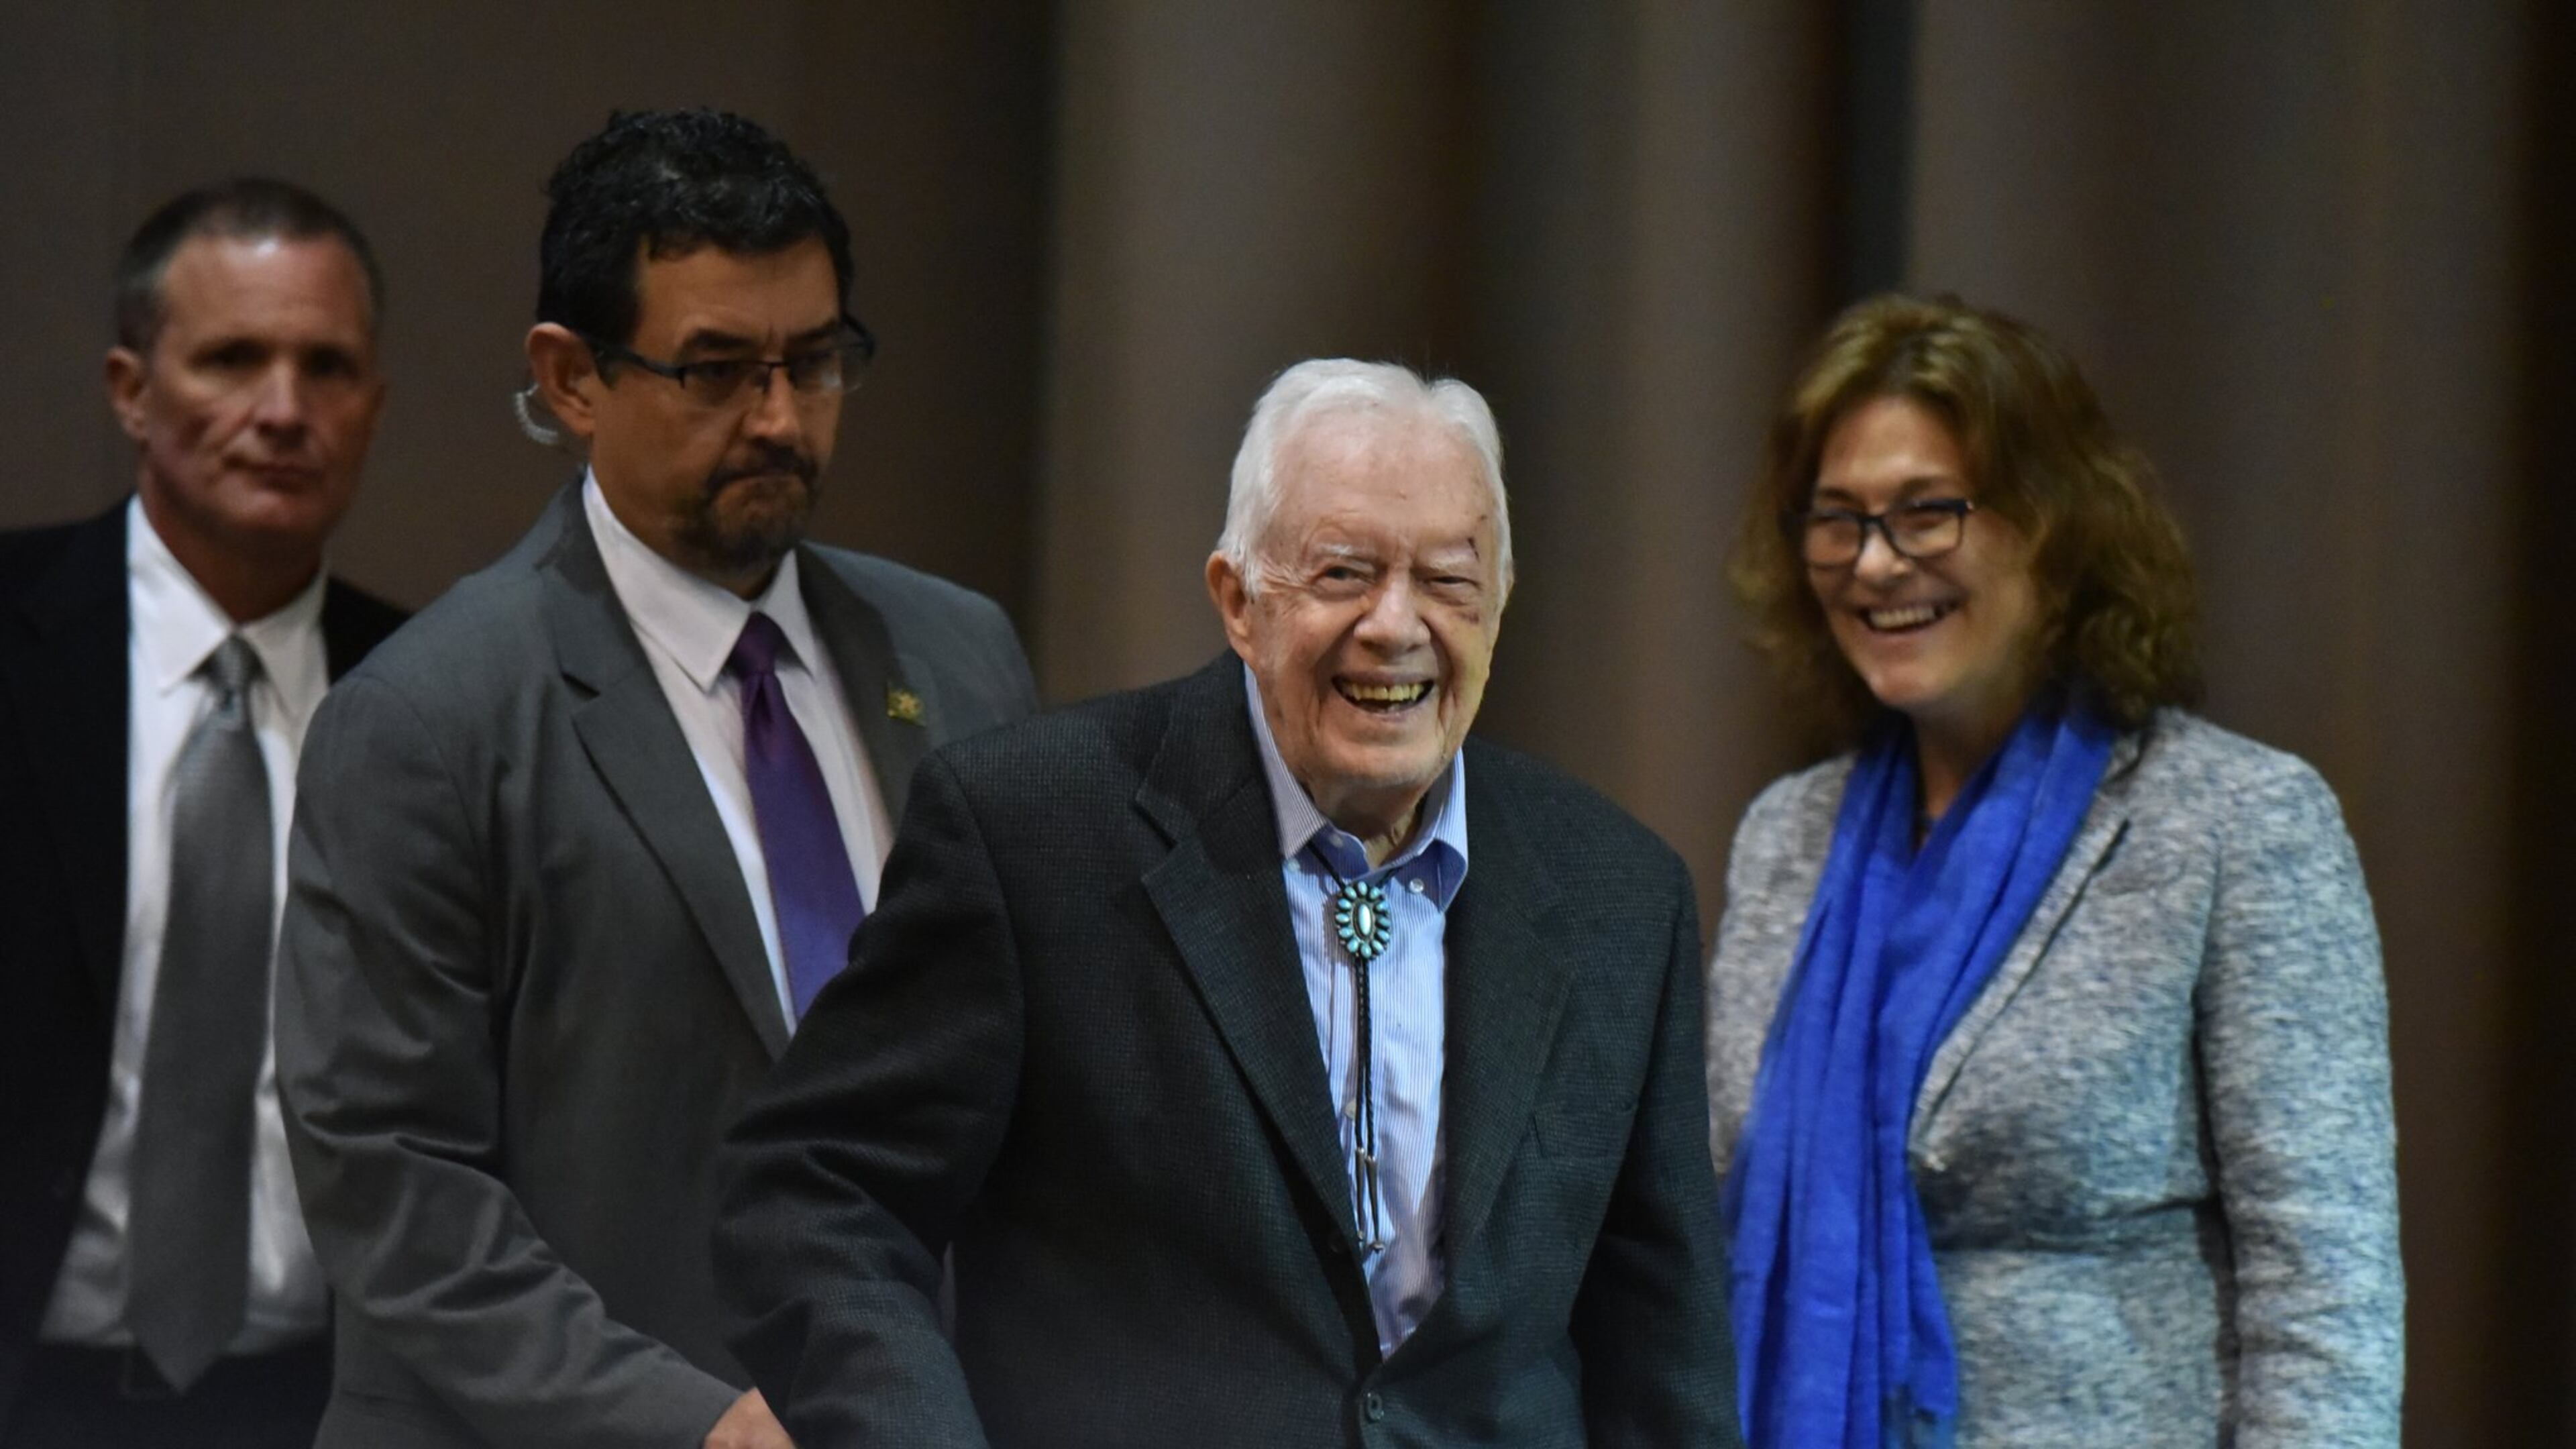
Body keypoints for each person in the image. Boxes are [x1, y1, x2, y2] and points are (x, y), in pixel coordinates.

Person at [714, 358, 1741, 1446]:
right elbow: (818, 1194)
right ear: (1238, 601)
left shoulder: (1621, 895)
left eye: (1449, 580)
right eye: (1344, 573)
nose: (1397, 627)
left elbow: (1663, 1343)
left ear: (1498, 608)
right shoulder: (1032, 834)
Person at [273, 109, 1038, 1449]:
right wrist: (683, 1422)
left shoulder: (957, 656)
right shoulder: (428, 717)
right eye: (719, 372)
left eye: (817, 362)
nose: (782, 419)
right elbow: (393, 1181)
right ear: (572, 381)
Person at [1705, 294, 2403, 1448]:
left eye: (1928, 513)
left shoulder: (2237, 822)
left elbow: (2324, 1282)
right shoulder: (1785, 836)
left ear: (2053, 522)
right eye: (1837, 521)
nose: (1877, 564)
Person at [0, 180, 405, 1449]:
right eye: (234, 358)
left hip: (328, 1405)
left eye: (326, 366)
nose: (283, 411)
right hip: (34, 1385)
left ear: (373, 407)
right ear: (133, 388)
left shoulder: (439, 697)